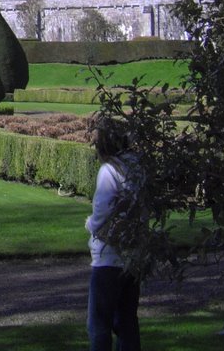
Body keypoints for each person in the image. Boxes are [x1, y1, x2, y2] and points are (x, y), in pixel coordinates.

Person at [85, 116, 141, 351]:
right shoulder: (137, 166)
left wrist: (90, 224)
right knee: (127, 322)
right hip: (134, 252)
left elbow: (101, 212)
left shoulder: (110, 170)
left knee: (99, 324)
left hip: (109, 256)